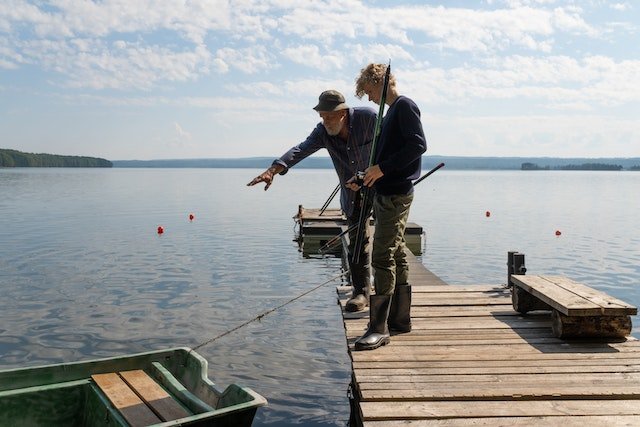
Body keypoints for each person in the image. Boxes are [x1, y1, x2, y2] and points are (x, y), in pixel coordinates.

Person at [247, 90, 377, 312]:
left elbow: (393, 145)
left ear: (343, 113)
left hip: (381, 187)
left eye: (328, 116)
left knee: (388, 243)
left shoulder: (369, 118)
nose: (323, 120)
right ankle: (361, 293)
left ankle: (388, 293)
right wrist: (273, 170)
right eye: (321, 115)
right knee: (357, 245)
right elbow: (301, 149)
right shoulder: (322, 132)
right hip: (352, 195)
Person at [351, 63, 427, 351]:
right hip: (386, 191)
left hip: (396, 194)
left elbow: (417, 146)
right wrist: (366, 177)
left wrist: (381, 169)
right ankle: (400, 320)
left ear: (381, 83)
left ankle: (379, 327)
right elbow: (389, 156)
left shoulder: (404, 106)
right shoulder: (391, 111)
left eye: (369, 91)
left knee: (382, 256)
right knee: (395, 253)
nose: (369, 98)